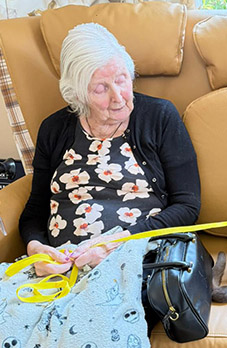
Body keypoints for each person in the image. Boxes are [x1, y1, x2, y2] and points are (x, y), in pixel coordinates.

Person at [18, 23, 200, 275]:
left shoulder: (159, 117)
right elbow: (34, 211)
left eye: (121, 79)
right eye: (101, 88)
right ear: (78, 95)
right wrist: (36, 248)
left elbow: (187, 206)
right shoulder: (53, 129)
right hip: (60, 272)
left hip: (135, 262)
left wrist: (118, 242)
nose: (119, 97)